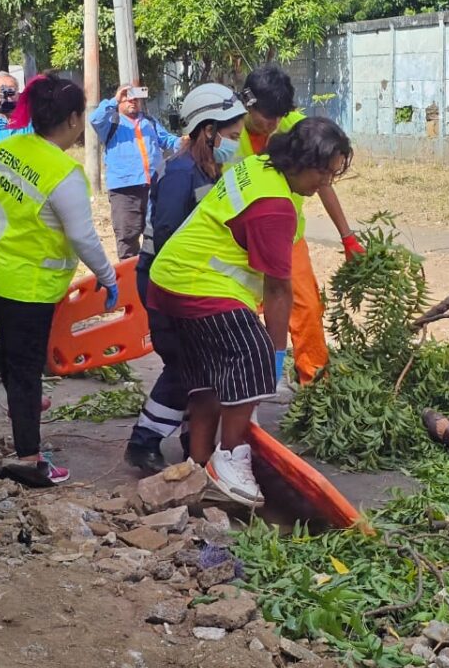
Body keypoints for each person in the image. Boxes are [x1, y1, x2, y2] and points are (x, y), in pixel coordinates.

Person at [148, 117, 353, 506]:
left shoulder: (258, 166)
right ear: (300, 162)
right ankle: (232, 458)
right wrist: (274, 356)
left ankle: (198, 465)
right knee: (252, 355)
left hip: (171, 277)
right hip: (199, 285)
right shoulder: (274, 206)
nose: (325, 183)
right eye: (322, 174)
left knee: (209, 381)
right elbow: (278, 290)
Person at [0, 74, 118, 487]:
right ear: (72, 119)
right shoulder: (63, 174)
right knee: (26, 368)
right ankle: (30, 460)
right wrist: (107, 277)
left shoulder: (8, 146)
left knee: (12, 350)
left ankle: (24, 403)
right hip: (26, 288)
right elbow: (83, 237)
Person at [125, 83, 247, 472]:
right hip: (167, 283)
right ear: (207, 131)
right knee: (182, 365)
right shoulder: (180, 173)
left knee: (201, 366)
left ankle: (189, 437)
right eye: (231, 136)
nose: (236, 143)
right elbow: (168, 239)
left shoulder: (211, 169)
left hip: (191, 283)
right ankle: (143, 441)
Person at [234, 66, 365, 386]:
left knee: (306, 307)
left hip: (287, 238)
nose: (274, 125)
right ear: (248, 104)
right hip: (237, 241)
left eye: (279, 116)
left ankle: (315, 386)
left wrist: (347, 237)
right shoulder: (227, 134)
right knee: (240, 313)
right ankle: (241, 383)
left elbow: (323, 182)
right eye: (267, 117)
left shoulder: (295, 129)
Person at [90, 81, 182, 259]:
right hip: (125, 192)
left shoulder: (149, 122)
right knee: (127, 240)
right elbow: (95, 118)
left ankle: (151, 278)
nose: (132, 101)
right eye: (127, 97)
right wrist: (115, 99)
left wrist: (184, 142)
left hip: (152, 188)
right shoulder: (112, 122)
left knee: (157, 236)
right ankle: (129, 283)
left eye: (136, 97)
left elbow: (168, 141)